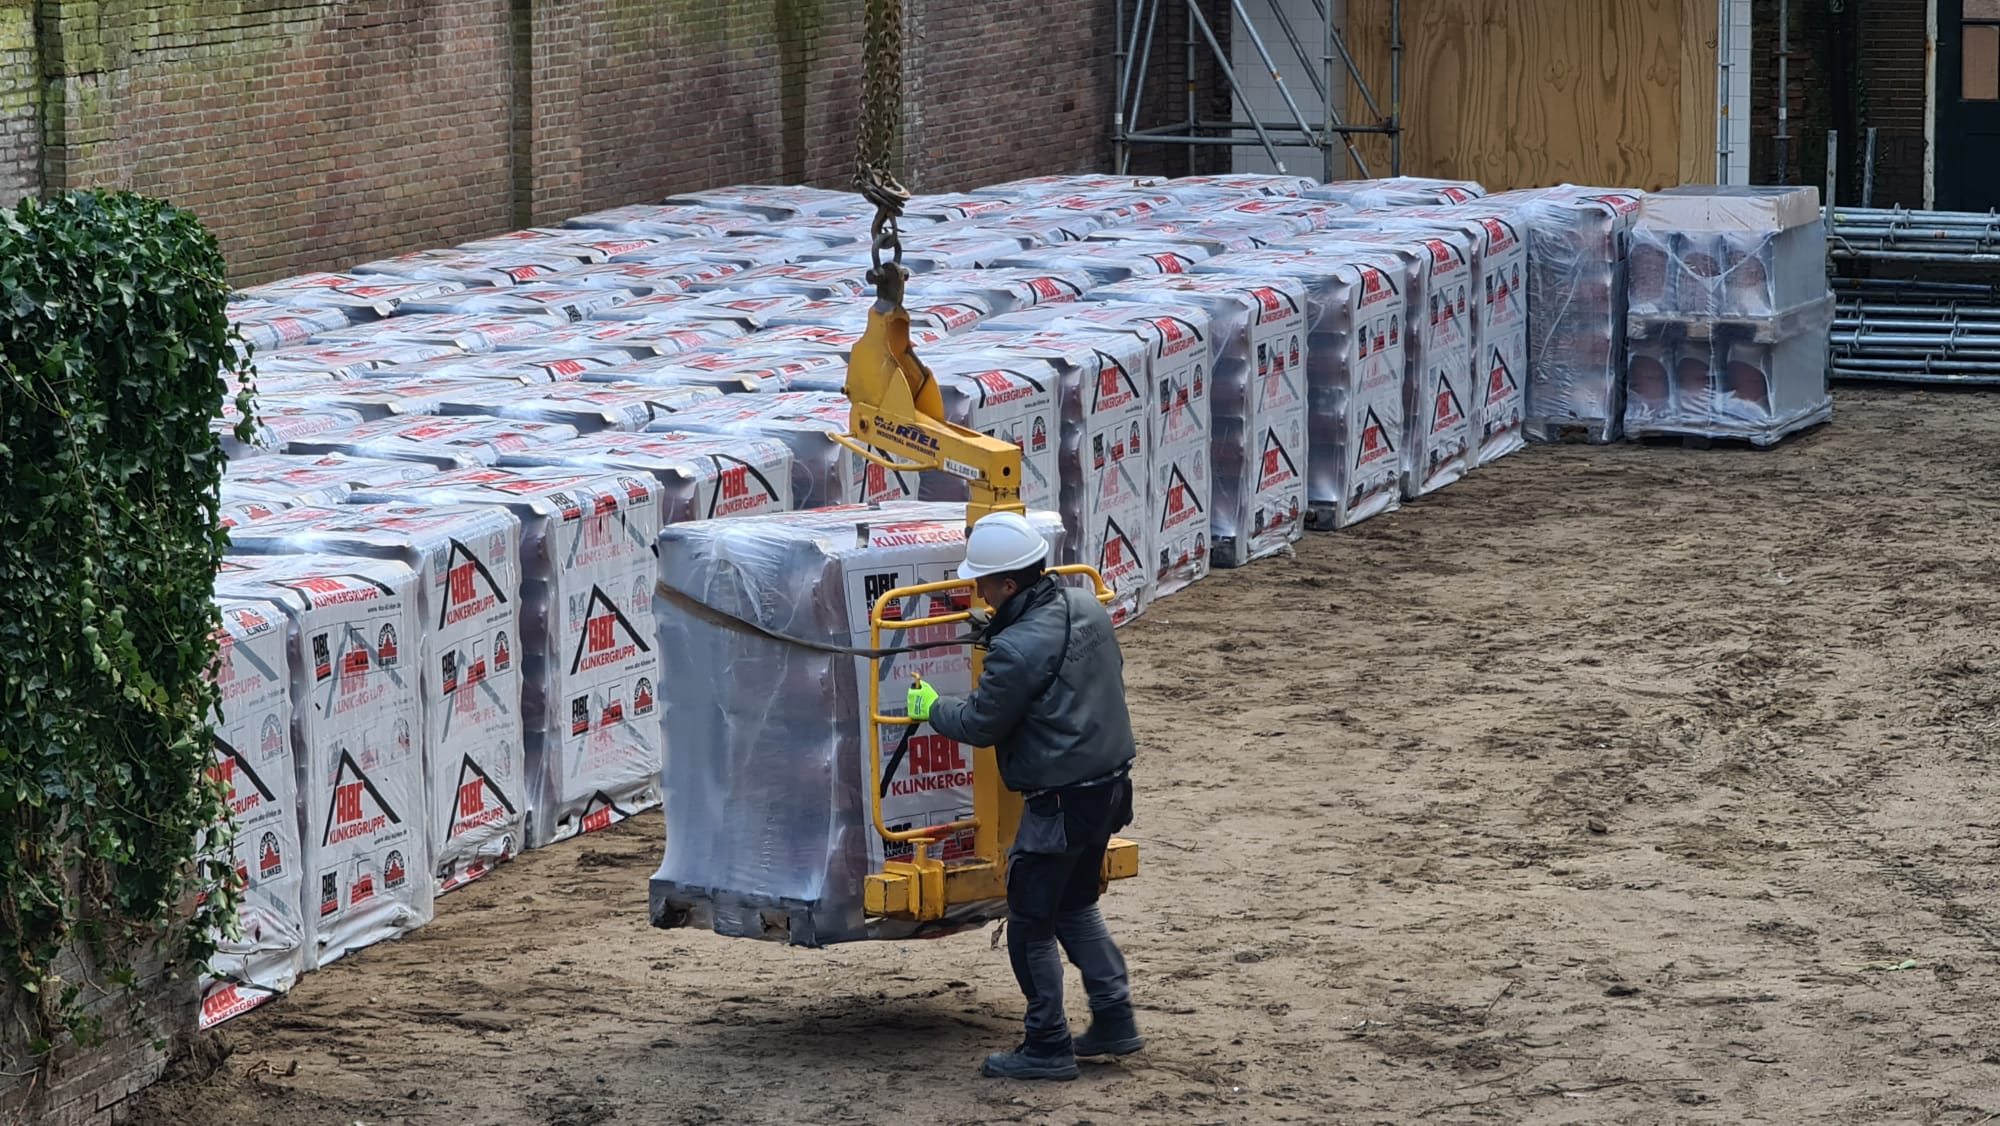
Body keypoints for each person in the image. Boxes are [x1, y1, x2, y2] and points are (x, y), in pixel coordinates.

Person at [907, 511, 1141, 1081]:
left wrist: (932, 707)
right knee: (1076, 904)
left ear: (1008, 585)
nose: (977, 593)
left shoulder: (1015, 649)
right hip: (1108, 788)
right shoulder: (1085, 606)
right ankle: (1114, 1019)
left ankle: (1047, 1046)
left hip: (1058, 800)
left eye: (983, 585)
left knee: (1032, 923)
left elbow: (983, 724)